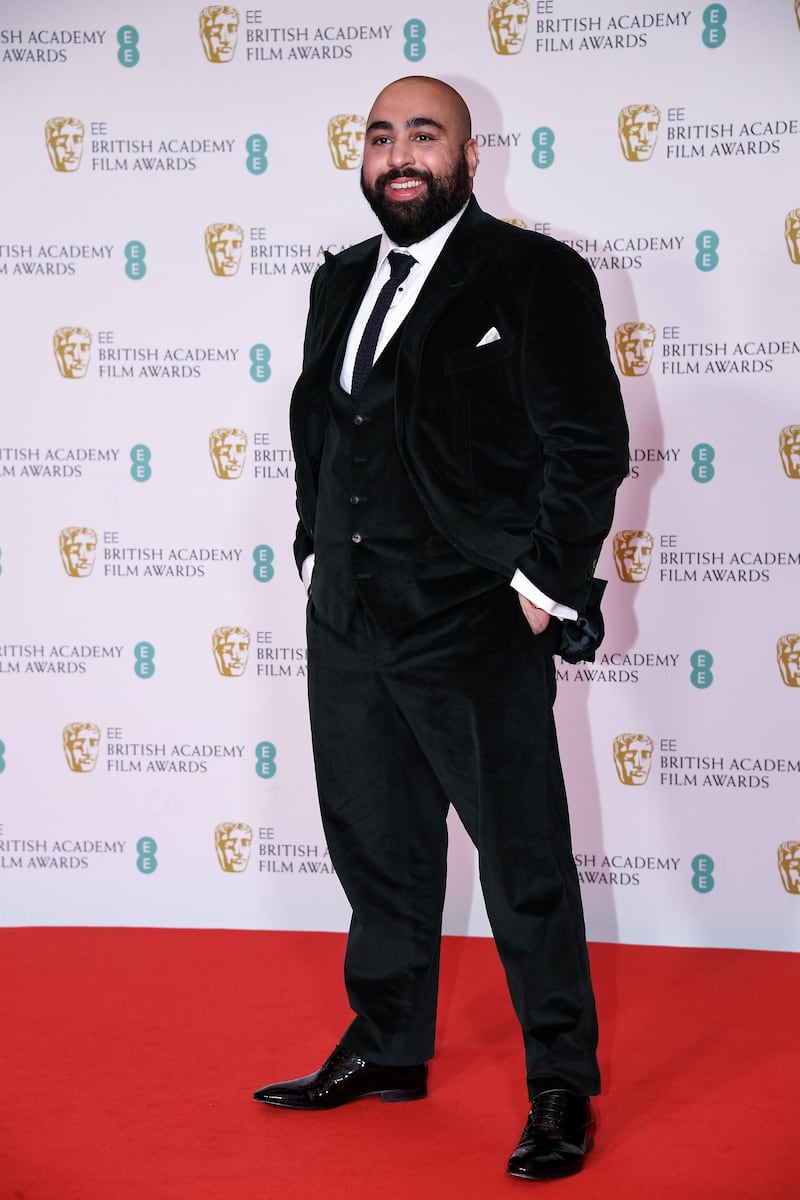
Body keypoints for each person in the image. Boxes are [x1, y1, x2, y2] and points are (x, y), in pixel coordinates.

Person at [253, 75, 629, 1183]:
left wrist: (545, 583)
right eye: (381, 136)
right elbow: (319, 418)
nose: (399, 153)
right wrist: (313, 540)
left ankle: (558, 1083)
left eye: (425, 134)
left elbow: (586, 444)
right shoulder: (337, 281)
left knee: (521, 865)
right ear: (360, 158)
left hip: (471, 616)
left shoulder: (532, 274)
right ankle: (387, 1045)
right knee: (379, 850)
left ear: (470, 154)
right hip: (348, 618)